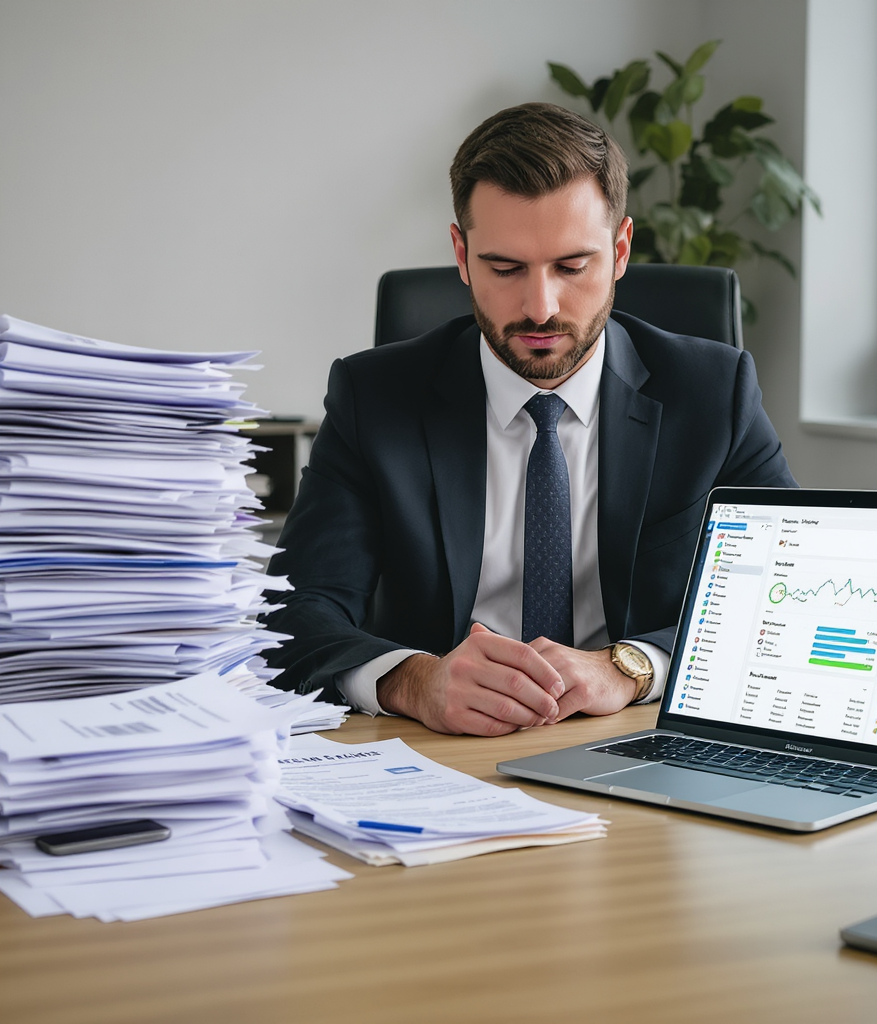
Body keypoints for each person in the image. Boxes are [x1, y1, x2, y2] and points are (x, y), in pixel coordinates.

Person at [264, 102, 796, 736]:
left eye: (572, 267)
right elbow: (294, 612)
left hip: (632, 739)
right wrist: (414, 680)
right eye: (505, 268)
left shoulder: (714, 393)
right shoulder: (373, 397)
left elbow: (778, 600)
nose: (540, 308)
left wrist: (629, 667)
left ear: (620, 250)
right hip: (435, 751)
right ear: (460, 255)